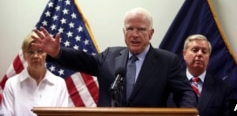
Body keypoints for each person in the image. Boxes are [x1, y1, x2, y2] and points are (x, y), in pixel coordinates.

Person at [32, 7, 197, 107]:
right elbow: (83, 60)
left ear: (151, 33)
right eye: (130, 29)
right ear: (124, 32)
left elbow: (185, 92)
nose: (135, 35)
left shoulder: (167, 62)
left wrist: (188, 111)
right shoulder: (110, 56)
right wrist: (57, 52)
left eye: (140, 29)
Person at [2, 32, 69, 116]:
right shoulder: (12, 84)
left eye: (40, 51)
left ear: (46, 54)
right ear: (24, 55)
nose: (36, 56)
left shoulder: (59, 84)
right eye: (30, 52)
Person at [183, 34, 233, 116]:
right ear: (184, 54)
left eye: (204, 51)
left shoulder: (223, 88)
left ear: (209, 57)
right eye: (195, 50)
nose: (199, 54)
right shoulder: (170, 85)